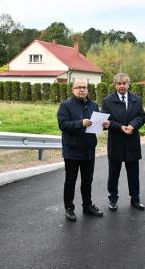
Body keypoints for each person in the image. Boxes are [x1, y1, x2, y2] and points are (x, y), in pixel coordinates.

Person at [57, 80, 104, 222]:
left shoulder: (93, 105)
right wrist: (80, 123)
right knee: (70, 181)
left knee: (87, 180)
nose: (82, 90)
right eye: (79, 87)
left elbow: (96, 126)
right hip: (72, 150)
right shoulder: (65, 105)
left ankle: (87, 205)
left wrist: (104, 125)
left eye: (84, 87)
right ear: (73, 90)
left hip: (89, 149)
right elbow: (62, 125)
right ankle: (69, 208)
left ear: (88, 90)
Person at [102, 73, 145, 211]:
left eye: (124, 83)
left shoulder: (137, 99)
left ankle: (135, 199)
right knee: (113, 174)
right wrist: (120, 127)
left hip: (132, 141)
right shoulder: (107, 101)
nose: (122, 86)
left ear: (129, 84)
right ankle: (113, 199)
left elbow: (142, 116)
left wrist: (133, 125)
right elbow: (105, 121)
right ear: (115, 85)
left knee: (133, 174)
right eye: (119, 83)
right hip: (116, 141)